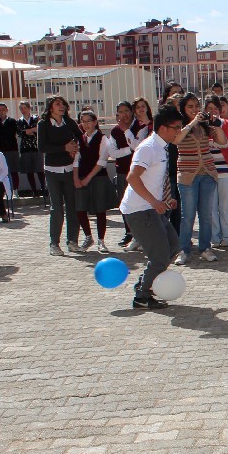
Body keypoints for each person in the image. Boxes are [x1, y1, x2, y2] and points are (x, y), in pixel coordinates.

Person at [122, 105, 184, 309]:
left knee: (174, 246)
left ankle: (144, 282)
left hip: (152, 208)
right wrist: (154, 202)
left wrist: (165, 200)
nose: (179, 132)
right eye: (176, 127)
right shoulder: (149, 148)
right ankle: (142, 296)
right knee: (159, 257)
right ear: (163, 128)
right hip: (141, 210)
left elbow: (154, 180)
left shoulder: (163, 147)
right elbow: (132, 177)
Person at [173, 93, 226, 264]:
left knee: (206, 215)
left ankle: (205, 248)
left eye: (197, 105)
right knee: (187, 215)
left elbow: (223, 141)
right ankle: (184, 250)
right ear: (183, 108)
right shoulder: (179, 124)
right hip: (188, 175)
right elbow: (176, 139)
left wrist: (217, 124)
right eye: (190, 106)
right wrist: (193, 122)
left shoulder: (205, 124)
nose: (195, 109)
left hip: (208, 173)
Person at [38, 95, 83, 255]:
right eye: (57, 104)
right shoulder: (43, 124)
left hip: (69, 170)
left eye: (63, 103)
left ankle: (72, 241)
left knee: (72, 206)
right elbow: (42, 147)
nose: (61, 106)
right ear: (50, 107)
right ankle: (54, 244)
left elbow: (80, 137)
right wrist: (64, 148)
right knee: (56, 207)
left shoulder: (69, 122)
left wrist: (75, 148)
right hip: (52, 170)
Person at [73, 110, 118, 253]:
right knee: (80, 208)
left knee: (100, 209)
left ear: (94, 122)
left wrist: (88, 178)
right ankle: (88, 236)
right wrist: (76, 178)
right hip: (82, 177)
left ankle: (101, 240)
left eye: (89, 121)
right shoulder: (80, 138)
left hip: (98, 177)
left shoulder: (102, 138)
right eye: (83, 121)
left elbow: (101, 161)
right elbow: (76, 160)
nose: (86, 124)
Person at [202, 96, 228, 248]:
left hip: (225, 171)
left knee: (225, 206)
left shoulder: (227, 123)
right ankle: (214, 238)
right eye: (209, 109)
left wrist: (212, 139)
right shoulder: (201, 126)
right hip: (208, 171)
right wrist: (212, 142)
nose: (213, 112)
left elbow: (225, 144)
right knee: (211, 207)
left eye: (216, 108)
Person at [108, 102, 138, 248]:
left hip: (139, 172)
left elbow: (138, 146)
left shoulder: (139, 127)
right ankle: (129, 232)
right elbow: (112, 153)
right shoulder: (114, 131)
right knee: (124, 203)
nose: (124, 114)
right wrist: (129, 150)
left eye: (127, 111)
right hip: (122, 172)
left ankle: (140, 234)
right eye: (121, 111)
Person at [0, 103, 20, 197]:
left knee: (13, 170)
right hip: (0, 149)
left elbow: (13, 133)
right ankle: (3, 191)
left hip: (11, 148)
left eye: (3, 109)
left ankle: (15, 190)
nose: (1, 112)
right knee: (0, 171)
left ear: (7, 110)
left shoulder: (12, 121)